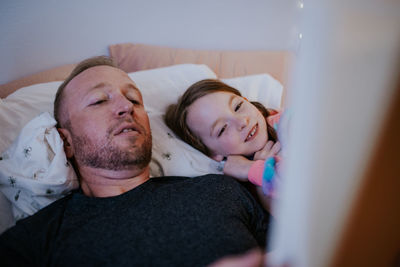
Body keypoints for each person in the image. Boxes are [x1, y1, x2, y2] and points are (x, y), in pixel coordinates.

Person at [0, 56, 271, 266]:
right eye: (98, 101)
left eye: (134, 99)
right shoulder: (39, 237)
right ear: (67, 142)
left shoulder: (220, 190)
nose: (126, 106)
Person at [165, 79, 284, 199]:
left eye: (238, 106)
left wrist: (252, 170)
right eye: (222, 129)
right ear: (212, 154)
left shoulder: (288, 124)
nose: (242, 121)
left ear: (247, 101)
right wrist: (255, 171)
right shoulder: (235, 191)